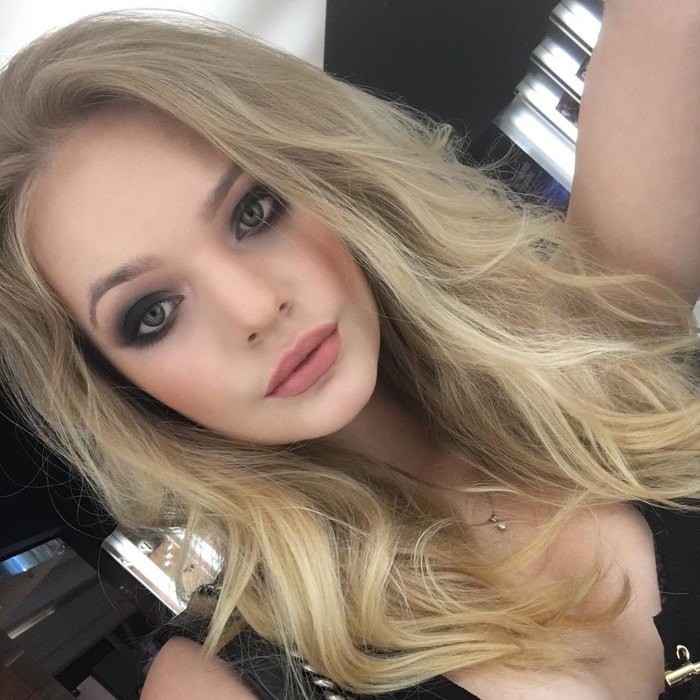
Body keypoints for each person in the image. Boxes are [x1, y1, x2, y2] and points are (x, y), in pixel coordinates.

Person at [0, 5, 698, 700]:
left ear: (329, 177)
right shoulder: (220, 686)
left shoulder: (601, 333)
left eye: (253, 211)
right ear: (116, 384)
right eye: (152, 313)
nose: (255, 307)